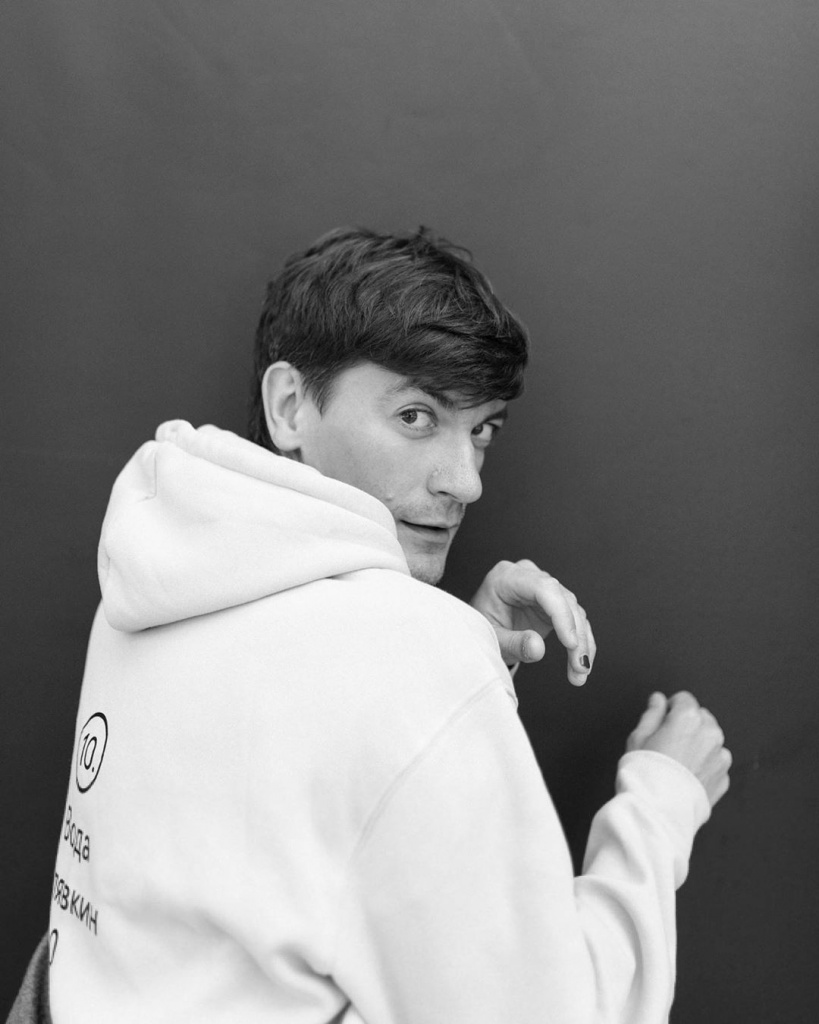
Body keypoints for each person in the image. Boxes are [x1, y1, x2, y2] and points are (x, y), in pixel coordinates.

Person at [42, 227, 730, 1024]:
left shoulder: (159, 568)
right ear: (290, 405)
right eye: (415, 416)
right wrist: (659, 805)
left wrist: (460, 651)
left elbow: (275, 827)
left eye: (482, 429)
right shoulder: (409, 665)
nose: (465, 481)